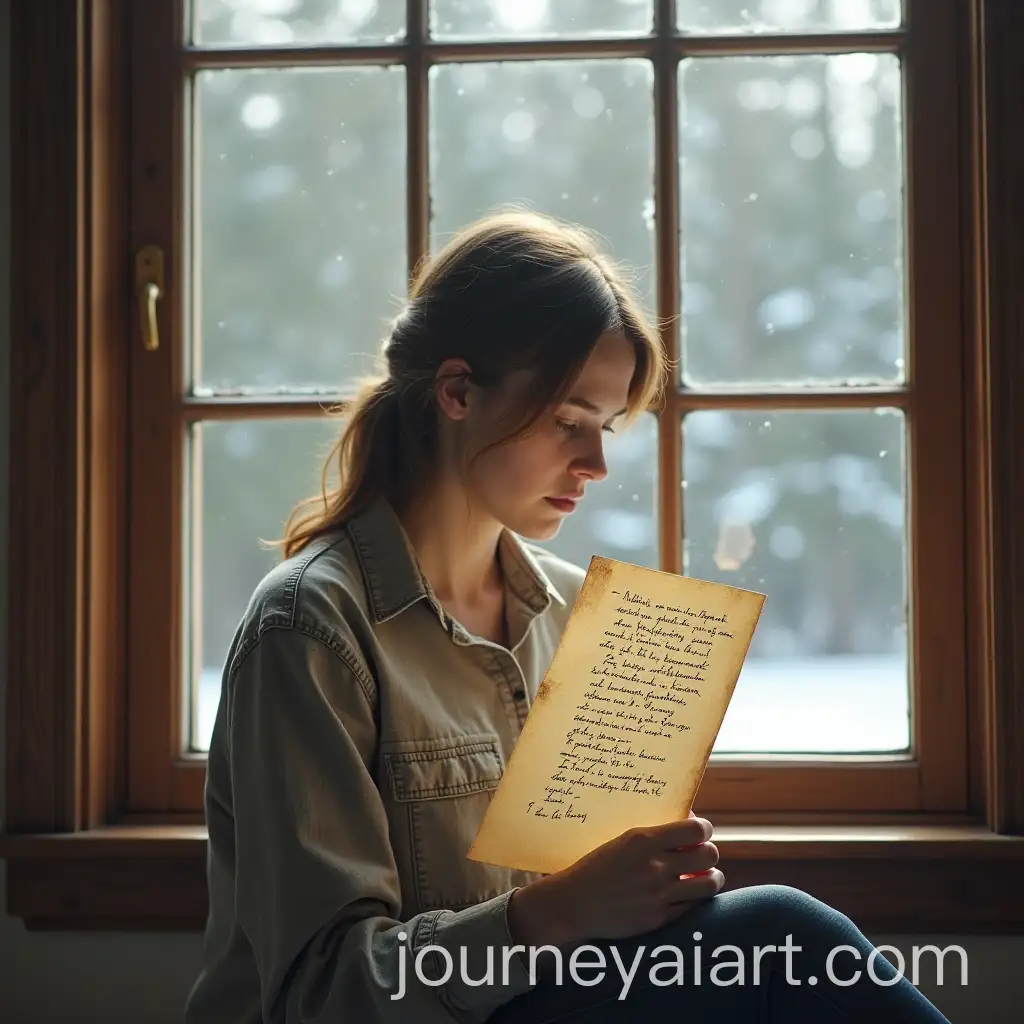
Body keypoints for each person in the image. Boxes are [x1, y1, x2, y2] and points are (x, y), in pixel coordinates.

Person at [183, 210, 951, 1024]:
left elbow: (586, 936)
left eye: (607, 426)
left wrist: (642, 882)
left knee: (769, 950)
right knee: (783, 936)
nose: (596, 463)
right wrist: (559, 914)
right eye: (565, 421)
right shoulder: (308, 628)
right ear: (455, 391)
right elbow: (319, 993)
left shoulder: (582, 613)